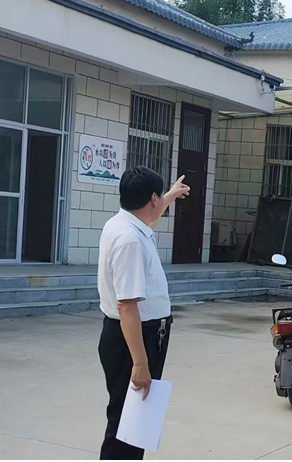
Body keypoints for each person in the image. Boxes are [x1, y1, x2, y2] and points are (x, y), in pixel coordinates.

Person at [98, 166, 190, 460]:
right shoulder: (131, 240)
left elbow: (151, 216)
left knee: (136, 424)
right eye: (159, 197)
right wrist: (140, 363)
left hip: (136, 334)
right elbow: (127, 306)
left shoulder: (124, 224)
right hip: (135, 338)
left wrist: (170, 195)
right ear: (151, 198)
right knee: (126, 425)